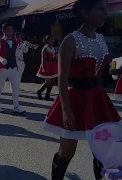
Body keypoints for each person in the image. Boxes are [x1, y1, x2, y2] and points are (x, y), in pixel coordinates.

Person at [43, 0, 121, 179]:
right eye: (100, 8)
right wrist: (65, 109)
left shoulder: (101, 39)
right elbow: (62, 78)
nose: (105, 13)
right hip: (75, 99)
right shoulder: (70, 40)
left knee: (102, 151)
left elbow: (108, 69)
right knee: (67, 152)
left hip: (98, 100)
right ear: (86, 13)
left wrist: (117, 67)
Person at [0, 23, 26, 114]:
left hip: (13, 67)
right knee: (0, 87)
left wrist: (23, 48)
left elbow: (17, 54)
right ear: (3, 31)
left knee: (16, 87)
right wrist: (1, 59)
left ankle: (16, 106)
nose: (11, 31)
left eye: (11, 29)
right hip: (2, 68)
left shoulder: (15, 42)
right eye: (8, 29)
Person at [36, 35, 57, 101]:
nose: (53, 41)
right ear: (47, 40)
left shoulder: (52, 48)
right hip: (47, 65)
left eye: (53, 39)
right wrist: (43, 67)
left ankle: (47, 95)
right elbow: (43, 59)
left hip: (52, 65)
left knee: (52, 81)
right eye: (51, 39)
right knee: (48, 81)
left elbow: (53, 57)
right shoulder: (45, 48)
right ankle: (40, 91)